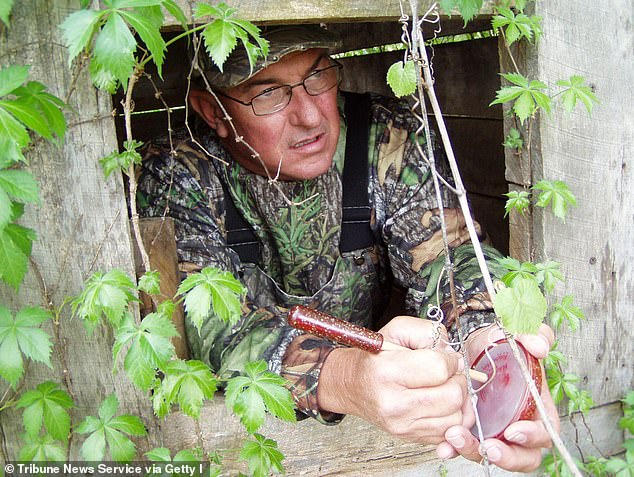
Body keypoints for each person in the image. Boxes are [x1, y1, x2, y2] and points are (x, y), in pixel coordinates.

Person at [138, 25, 559, 472]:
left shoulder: (385, 135)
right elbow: (208, 331)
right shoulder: (176, 174)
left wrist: (487, 338)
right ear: (214, 110)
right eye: (268, 94)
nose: (310, 117)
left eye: (317, 75)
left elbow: (448, 255)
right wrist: (346, 377)